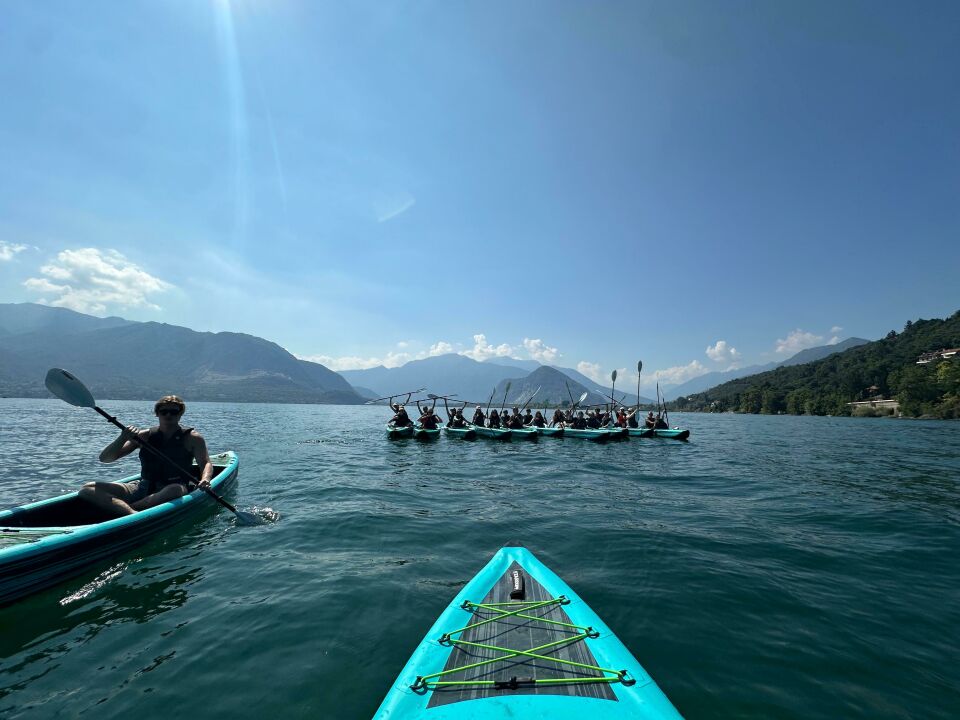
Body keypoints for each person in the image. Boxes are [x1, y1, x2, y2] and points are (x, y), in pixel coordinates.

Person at [79, 395, 212, 518]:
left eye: (174, 412)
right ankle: (132, 514)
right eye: (164, 411)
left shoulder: (193, 438)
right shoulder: (144, 436)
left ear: (180, 414)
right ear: (157, 413)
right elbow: (105, 459)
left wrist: (205, 479)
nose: (168, 415)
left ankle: (125, 509)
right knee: (87, 489)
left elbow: (205, 463)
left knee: (175, 490)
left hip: (175, 486)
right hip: (144, 486)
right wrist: (122, 437)